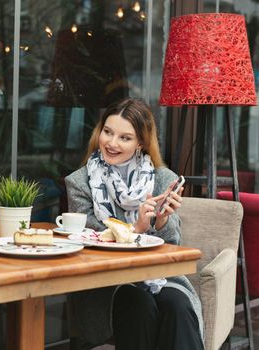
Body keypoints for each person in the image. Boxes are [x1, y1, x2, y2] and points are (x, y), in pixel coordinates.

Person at [65, 97, 204, 350]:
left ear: (141, 142)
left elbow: (173, 247)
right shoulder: (79, 182)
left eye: (124, 138)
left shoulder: (163, 179)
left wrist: (162, 221)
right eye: (108, 132)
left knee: (177, 306)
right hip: (106, 283)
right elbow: (87, 242)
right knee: (138, 304)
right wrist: (135, 231)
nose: (112, 143)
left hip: (158, 276)